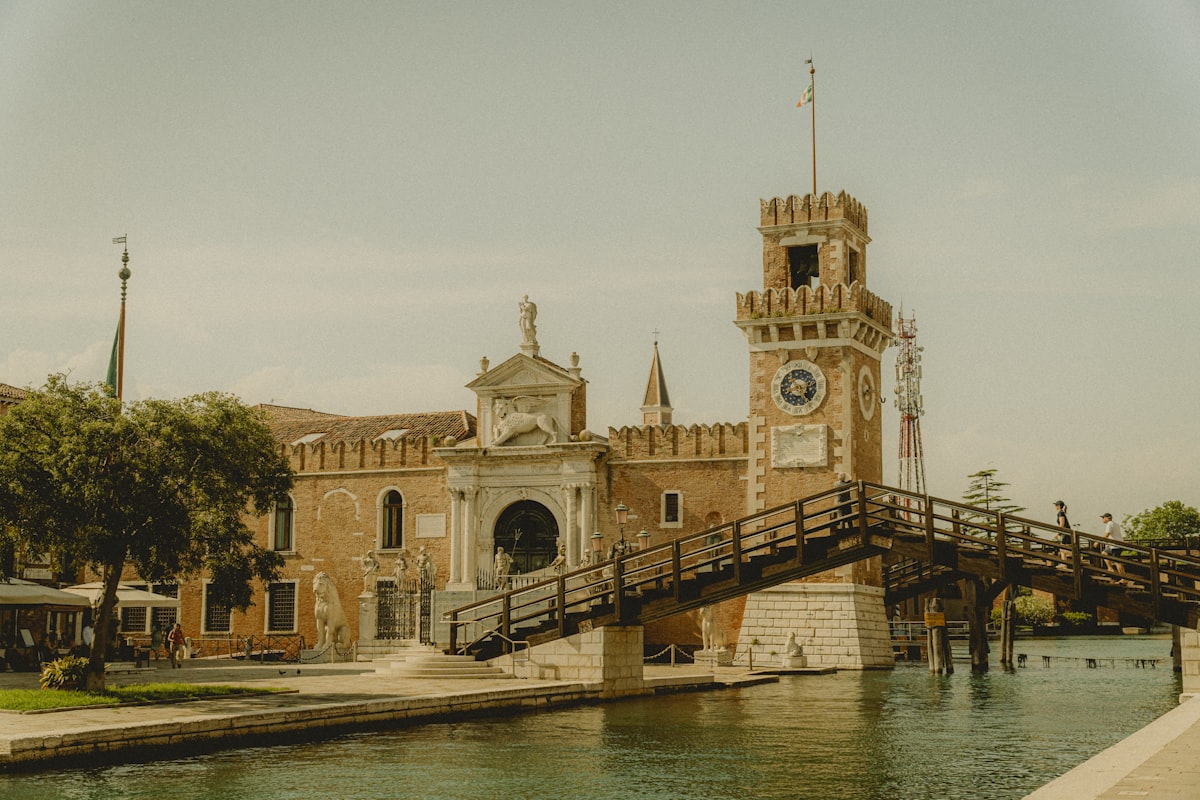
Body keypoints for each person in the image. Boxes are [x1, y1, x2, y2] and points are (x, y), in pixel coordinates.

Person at [1101, 512, 1126, 577]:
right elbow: (1113, 535)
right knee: (1104, 553)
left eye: (1103, 518)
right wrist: (1108, 544)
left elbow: (1107, 534)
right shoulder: (1115, 524)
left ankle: (1124, 578)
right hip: (1115, 545)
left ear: (1107, 518)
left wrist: (1098, 541)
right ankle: (1110, 568)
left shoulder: (1109, 524)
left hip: (1115, 546)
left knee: (1117, 562)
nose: (1102, 519)